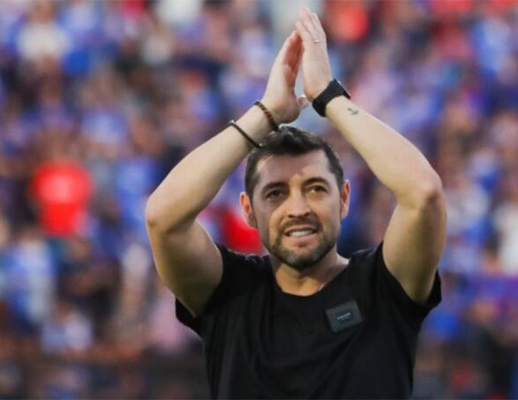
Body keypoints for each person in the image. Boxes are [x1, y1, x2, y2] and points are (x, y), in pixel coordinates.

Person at [145, 7, 446, 399]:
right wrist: (265, 114)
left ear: (344, 199)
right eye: (276, 193)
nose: (298, 208)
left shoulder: (383, 288)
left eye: (316, 189)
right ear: (248, 210)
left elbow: (423, 193)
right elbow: (163, 217)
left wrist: (329, 97)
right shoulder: (230, 293)